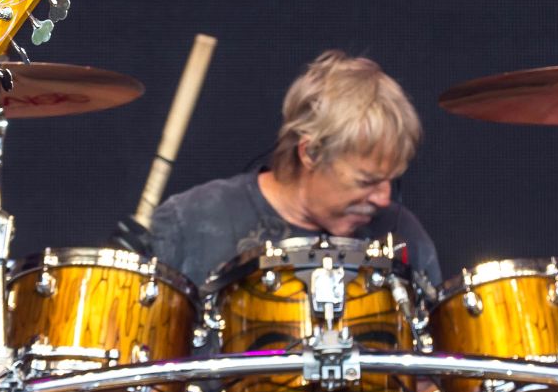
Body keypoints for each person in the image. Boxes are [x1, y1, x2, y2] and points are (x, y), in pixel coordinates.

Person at [148, 49, 442, 288]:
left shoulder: (405, 237)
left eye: (391, 180)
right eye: (367, 182)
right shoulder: (188, 223)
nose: (383, 198)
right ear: (311, 152)